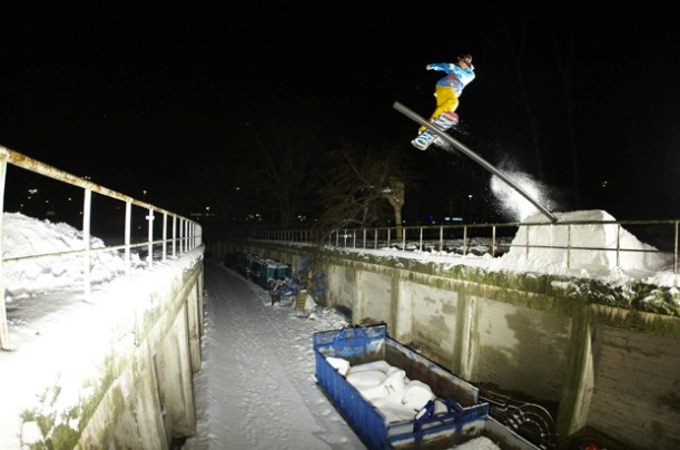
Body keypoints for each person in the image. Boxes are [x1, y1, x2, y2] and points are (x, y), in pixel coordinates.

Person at [417, 53, 475, 137]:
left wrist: (455, 68)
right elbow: (445, 66)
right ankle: (435, 119)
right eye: (459, 62)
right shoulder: (455, 67)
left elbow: (463, 76)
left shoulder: (470, 74)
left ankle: (423, 129)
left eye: (462, 62)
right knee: (454, 102)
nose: (460, 63)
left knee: (445, 111)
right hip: (445, 86)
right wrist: (433, 65)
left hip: (448, 92)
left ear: (467, 63)